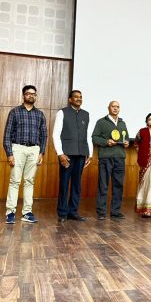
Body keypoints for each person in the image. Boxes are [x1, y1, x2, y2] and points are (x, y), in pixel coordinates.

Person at [3, 85, 47, 224]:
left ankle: (27, 212)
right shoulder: (14, 112)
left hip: (34, 150)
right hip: (18, 149)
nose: (31, 96)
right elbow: (7, 135)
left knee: (29, 181)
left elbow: (44, 135)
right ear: (23, 96)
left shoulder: (40, 114)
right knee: (15, 181)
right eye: (28, 94)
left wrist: (41, 152)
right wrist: (9, 153)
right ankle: (10, 212)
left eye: (34, 94)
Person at [52, 90, 92, 222]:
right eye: (76, 97)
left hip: (81, 154)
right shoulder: (62, 112)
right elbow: (56, 134)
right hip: (67, 155)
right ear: (70, 99)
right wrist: (60, 154)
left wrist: (90, 154)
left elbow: (87, 135)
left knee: (76, 184)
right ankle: (62, 213)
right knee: (64, 183)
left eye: (80, 97)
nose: (79, 99)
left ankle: (73, 212)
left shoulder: (86, 114)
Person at [92, 101, 129, 220]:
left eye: (118, 106)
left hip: (120, 157)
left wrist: (127, 143)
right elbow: (94, 138)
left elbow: (126, 137)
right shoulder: (101, 122)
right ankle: (101, 212)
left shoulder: (122, 123)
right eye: (113, 106)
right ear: (108, 108)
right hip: (106, 157)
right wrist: (106, 142)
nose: (115, 108)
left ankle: (115, 211)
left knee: (118, 185)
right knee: (103, 185)